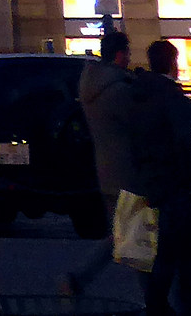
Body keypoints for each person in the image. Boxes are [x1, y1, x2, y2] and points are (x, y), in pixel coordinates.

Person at [127, 42, 191, 316]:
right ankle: (166, 305)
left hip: (146, 179)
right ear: (173, 62)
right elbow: (183, 140)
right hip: (172, 182)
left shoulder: (137, 93)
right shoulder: (171, 96)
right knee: (181, 250)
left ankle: (159, 304)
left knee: (162, 250)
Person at [63, 29, 136, 300]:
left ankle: (78, 279)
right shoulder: (119, 90)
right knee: (134, 241)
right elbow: (137, 127)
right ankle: (77, 278)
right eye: (127, 53)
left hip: (105, 170)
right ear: (119, 55)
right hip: (129, 171)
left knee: (125, 237)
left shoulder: (91, 86)